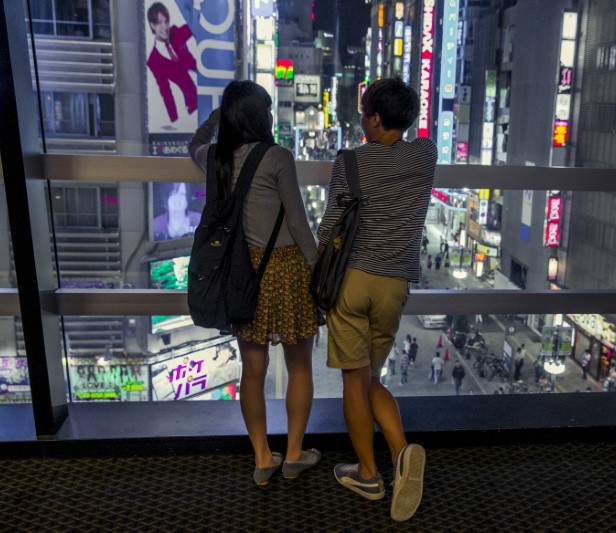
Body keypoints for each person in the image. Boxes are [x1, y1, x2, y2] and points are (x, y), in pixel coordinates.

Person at [188, 80, 321, 486]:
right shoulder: (278, 156)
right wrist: (319, 271)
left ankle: (263, 458)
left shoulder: (215, 157)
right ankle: (295, 454)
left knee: (252, 369)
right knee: (300, 368)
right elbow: (298, 222)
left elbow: (192, 143)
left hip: (240, 273)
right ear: (259, 116)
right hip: (284, 270)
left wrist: (218, 116)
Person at [317, 78, 435, 521]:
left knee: (355, 380)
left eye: (365, 112)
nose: (361, 120)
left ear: (376, 118)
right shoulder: (425, 155)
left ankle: (368, 473)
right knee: (372, 379)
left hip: (353, 283)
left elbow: (329, 226)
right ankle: (402, 451)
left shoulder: (350, 162)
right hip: (395, 285)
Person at [146, 2, 197, 127]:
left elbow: (195, 26)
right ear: (152, 25)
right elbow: (166, 92)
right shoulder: (153, 60)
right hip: (192, 105)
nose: (164, 26)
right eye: (159, 22)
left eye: (166, 21)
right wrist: (174, 120)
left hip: (207, 79)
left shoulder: (176, 33)